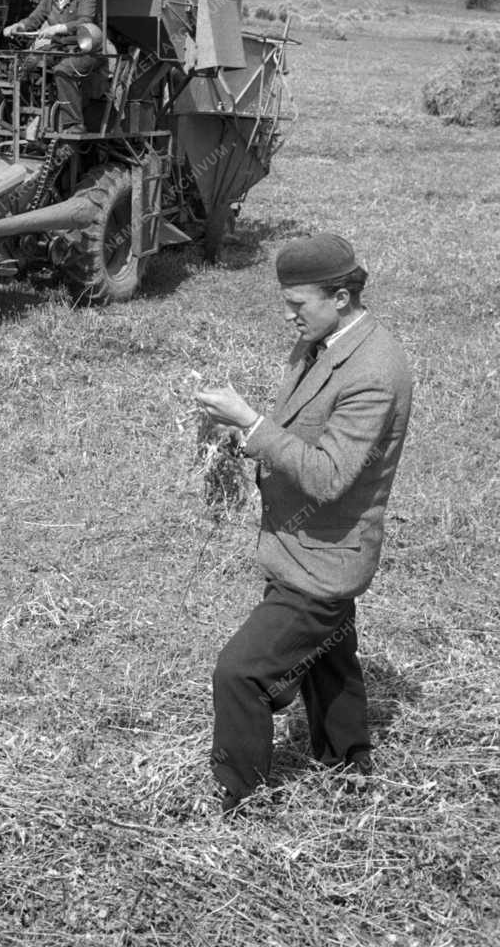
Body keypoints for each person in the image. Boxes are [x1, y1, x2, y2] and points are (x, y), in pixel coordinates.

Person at [194, 233, 412, 815]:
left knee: (240, 673)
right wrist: (242, 437)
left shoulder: (374, 371)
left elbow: (329, 477)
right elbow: (298, 429)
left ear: (341, 297)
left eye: (299, 304)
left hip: (323, 558)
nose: (288, 315)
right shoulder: (320, 341)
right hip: (298, 542)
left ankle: (237, 800)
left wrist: (253, 422)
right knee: (326, 655)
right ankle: (349, 766)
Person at [2, 0, 102, 134]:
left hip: (85, 51)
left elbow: (86, 22)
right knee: (21, 65)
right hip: (59, 49)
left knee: (63, 70)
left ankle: (75, 124)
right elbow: (34, 19)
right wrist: (19, 26)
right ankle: (25, 116)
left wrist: (58, 28)